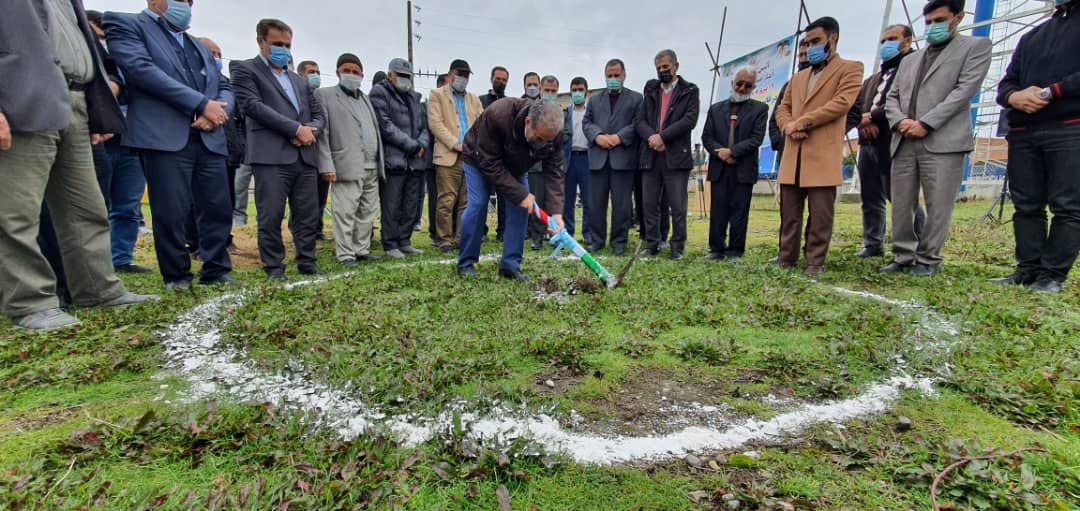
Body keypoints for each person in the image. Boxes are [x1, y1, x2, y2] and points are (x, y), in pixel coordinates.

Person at [2, 0, 157, 331]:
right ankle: (30, 302)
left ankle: (98, 289)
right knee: (16, 212)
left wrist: (95, 106)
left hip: (74, 99)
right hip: (19, 99)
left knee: (86, 205)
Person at [105, 0, 236, 289]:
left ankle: (217, 269)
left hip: (208, 135)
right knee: (171, 209)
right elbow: (140, 71)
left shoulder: (198, 45)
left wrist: (217, 112)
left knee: (217, 206)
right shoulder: (127, 25)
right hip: (164, 135)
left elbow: (223, 84)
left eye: (190, 1)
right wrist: (201, 104)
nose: (186, 5)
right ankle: (177, 275)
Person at [883, 0, 991, 277]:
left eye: (939, 20)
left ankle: (928, 258)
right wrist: (900, 121)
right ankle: (903, 254)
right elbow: (892, 97)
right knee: (902, 202)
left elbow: (963, 91)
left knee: (938, 203)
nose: (932, 27)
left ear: (958, 18)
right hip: (904, 138)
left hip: (943, 140)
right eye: (929, 22)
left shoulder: (975, 48)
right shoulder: (909, 60)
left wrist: (927, 123)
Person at [991, 0, 1080, 294]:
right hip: (1024, 131)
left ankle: (1052, 275)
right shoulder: (1033, 36)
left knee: (1067, 205)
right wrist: (1014, 97)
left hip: (1069, 127)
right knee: (1026, 204)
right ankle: (1027, 268)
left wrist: (1051, 91)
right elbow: (1006, 85)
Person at [230, 18, 326, 280]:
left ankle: (307, 261)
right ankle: (274, 267)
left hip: (304, 156)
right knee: (270, 215)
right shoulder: (245, 70)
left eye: (287, 44)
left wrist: (308, 131)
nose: (283, 49)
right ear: (261, 41)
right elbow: (253, 106)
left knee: (307, 215)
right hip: (271, 156)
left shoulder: (299, 81)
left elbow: (318, 115)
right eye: (277, 44)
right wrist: (295, 130)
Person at [774, 16, 864, 276]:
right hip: (793, 152)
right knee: (789, 213)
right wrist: (788, 125)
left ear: (832, 38)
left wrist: (802, 123)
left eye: (816, 41)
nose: (811, 47)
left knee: (820, 215)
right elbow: (783, 108)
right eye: (808, 42)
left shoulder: (850, 69)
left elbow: (842, 103)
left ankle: (814, 262)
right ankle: (786, 259)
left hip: (822, 152)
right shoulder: (798, 77)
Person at [457, 100, 567, 280]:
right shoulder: (498, 115)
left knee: (521, 207)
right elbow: (490, 164)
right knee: (478, 205)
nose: (543, 144)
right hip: (479, 159)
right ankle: (466, 263)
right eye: (539, 139)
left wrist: (556, 213)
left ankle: (510, 266)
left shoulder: (553, 134)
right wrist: (520, 194)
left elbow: (554, 171)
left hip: (515, 166)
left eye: (548, 141)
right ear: (527, 122)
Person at [854, 25, 926, 259]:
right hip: (867, 143)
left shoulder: (914, 70)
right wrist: (863, 122)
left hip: (894, 141)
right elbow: (854, 108)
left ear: (907, 40)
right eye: (883, 39)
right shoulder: (872, 79)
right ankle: (873, 243)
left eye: (892, 39)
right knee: (870, 196)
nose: (886, 44)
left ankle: (920, 244)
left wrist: (872, 117)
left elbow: (906, 102)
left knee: (900, 197)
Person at [316, 53, 384, 267]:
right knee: (345, 211)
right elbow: (323, 133)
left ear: (362, 75)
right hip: (345, 163)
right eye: (347, 71)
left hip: (371, 164)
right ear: (338, 72)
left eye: (356, 72)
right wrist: (326, 164)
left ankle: (361, 249)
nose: (352, 75)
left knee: (367, 210)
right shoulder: (325, 95)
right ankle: (345, 253)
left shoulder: (364, 98)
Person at [636, 49, 700, 260]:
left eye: (666, 67)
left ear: (676, 66)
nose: (662, 71)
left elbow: (689, 120)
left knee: (678, 205)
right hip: (651, 155)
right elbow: (640, 121)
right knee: (649, 204)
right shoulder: (651, 91)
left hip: (676, 157)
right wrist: (653, 138)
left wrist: (663, 137)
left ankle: (677, 247)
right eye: (659, 68)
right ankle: (652, 243)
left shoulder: (689, 91)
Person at [701, 66, 769, 262]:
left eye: (748, 85)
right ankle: (716, 249)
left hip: (743, 168)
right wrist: (720, 153)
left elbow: (756, 139)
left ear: (753, 87)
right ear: (732, 83)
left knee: (740, 211)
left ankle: (735, 251)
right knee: (718, 211)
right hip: (719, 168)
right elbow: (707, 137)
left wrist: (733, 152)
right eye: (739, 83)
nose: (742, 88)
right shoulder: (715, 109)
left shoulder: (760, 109)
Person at [370, 58, 431, 259]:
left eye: (408, 76)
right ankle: (390, 243)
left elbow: (424, 126)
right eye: (401, 76)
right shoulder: (380, 93)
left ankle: (404, 240)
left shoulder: (415, 98)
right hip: (394, 159)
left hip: (416, 161)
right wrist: (411, 146)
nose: (405, 80)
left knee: (411, 203)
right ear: (390, 75)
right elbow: (385, 125)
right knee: (392, 203)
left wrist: (421, 144)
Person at [583, 58, 643, 256]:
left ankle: (619, 241)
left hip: (623, 159)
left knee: (622, 205)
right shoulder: (595, 99)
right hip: (598, 159)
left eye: (616, 75)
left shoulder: (636, 99)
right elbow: (587, 122)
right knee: (595, 203)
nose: (613, 79)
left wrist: (618, 137)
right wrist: (598, 136)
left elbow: (638, 124)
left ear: (624, 75)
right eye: (609, 76)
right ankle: (597, 240)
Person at [428, 60, 484, 253]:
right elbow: (436, 124)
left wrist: (475, 146)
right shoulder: (437, 95)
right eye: (460, 74)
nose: (463, 78)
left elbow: (481, 124)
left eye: (466, 75)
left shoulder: (474, 100)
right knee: (446, 200)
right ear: (451, 74)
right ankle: (444, 240)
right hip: (448, 155)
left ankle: (461, 237)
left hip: (470, 158)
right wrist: (455, 143)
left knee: (466, 202)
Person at [525, 76, 562, 250]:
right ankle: (535, 237)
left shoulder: (559, 115)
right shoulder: (530, 111)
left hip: (549, 165)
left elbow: (558, 149)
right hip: (529, 166)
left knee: (548, 200)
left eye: (553, 91)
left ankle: (549, 233)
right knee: (532, 201)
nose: (549, 93)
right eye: (546, 90)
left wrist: (557, 214)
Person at [297, 60, 332, 242]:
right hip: (299, 152)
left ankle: (317, 230)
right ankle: (300, 233)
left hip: (319, 154)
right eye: (312, 72)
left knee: (320, 196)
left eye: (318, 72)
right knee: (304, 201)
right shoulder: (296, 95)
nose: (316, 76)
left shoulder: (319, 97)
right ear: (301, 74)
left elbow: (322, 120)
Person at [769, 40, 811, 171]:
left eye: (807, 55)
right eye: (801, 55)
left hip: (816, 153)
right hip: (788, 153)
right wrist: (782, 141)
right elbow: (775, 118)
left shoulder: (828, 81)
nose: (803, 59)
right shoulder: (789, 85)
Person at [564, 76, 593, 246]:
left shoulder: (591, 113)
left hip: (586, 159)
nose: (577, 93)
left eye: (580, 89)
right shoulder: (565, 112)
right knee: (567, 200)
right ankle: (568, 232)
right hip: (569, 159)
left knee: (588, 199)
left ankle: (588, 233)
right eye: (574, 90)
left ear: (586, 92)